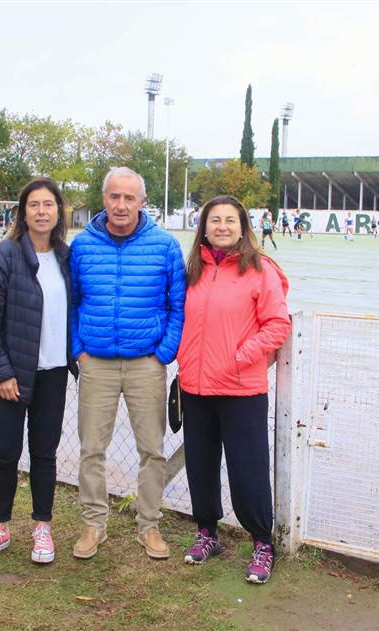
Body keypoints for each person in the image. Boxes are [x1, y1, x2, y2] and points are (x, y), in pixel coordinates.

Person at [69, 166, 185, 560]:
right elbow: (72, 301)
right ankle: (93, 526)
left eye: (129, 198)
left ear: (142, 202)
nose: (121, 205)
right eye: (114, 197)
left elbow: (177, 305)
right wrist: (78, 348)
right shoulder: (82, 246)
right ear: (104, 200)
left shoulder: (165, 246)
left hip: (146, 365)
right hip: (96, 364)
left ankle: (148, 526)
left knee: (151, 449)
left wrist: (163, 353)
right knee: (91, 449)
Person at [177, 195, 291, 584]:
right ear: (203, 227)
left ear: (243, 226)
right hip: (194, 386)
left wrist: (242, 355)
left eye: (230, 220)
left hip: (242, 389)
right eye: (214, 221)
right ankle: (207, 531)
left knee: (249, 471)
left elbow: (277, 324)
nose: (222, 226)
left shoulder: (261, 270)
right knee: (201, 466)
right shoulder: (192, 270)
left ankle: (262, 542)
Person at [0, 177, 78, 565]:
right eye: (34, 205)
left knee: (44, 453)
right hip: (12, 375)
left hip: (54, 373)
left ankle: (42, 528)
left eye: (49, 205)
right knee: (6, 453)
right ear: (23, 213)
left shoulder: (66, 257)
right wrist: (0, 374)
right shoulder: (5, 255)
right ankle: (0, 527)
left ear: (59, 212)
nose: (42, 212)